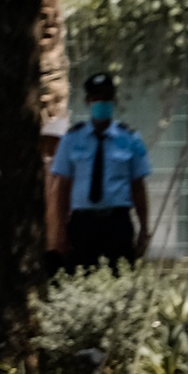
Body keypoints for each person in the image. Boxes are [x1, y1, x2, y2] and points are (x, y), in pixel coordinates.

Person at [49, 71, 151, 272]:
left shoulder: (130, 139)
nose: (101, 102)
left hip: (117, 223)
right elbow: (62, 188)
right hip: (83, 224)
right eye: (96, 97)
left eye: (106, 97)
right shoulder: (72, 140)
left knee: (118, 278)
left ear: (113, 100)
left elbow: (138, 187)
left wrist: (144, 229)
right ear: (88, 100)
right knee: (79, 279)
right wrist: (60, 231)